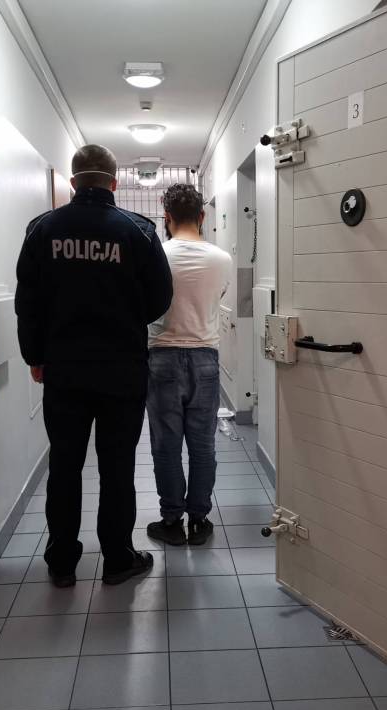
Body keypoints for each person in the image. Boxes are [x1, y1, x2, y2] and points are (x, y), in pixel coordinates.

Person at [16, 144, 173, 587]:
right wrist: (125, 317)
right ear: (114, 182)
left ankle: (62, 562)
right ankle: (118, 559)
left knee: (64, 465)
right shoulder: (138, 231)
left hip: (63, 370)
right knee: (117, 466)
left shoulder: (42, 229)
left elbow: (27, 302)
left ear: (72, 183)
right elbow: (161, 297)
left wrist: (34, 356)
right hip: (122, 369)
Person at [146, 183, 232, 546]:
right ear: (202, 215)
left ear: (166, 217)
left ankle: (171, 521)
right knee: (202, 445)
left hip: (162, 358)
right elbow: (217, 297)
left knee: (166, 446)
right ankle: (199, 519)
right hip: (205, 358)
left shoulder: (156, 255)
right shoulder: (222, 259)